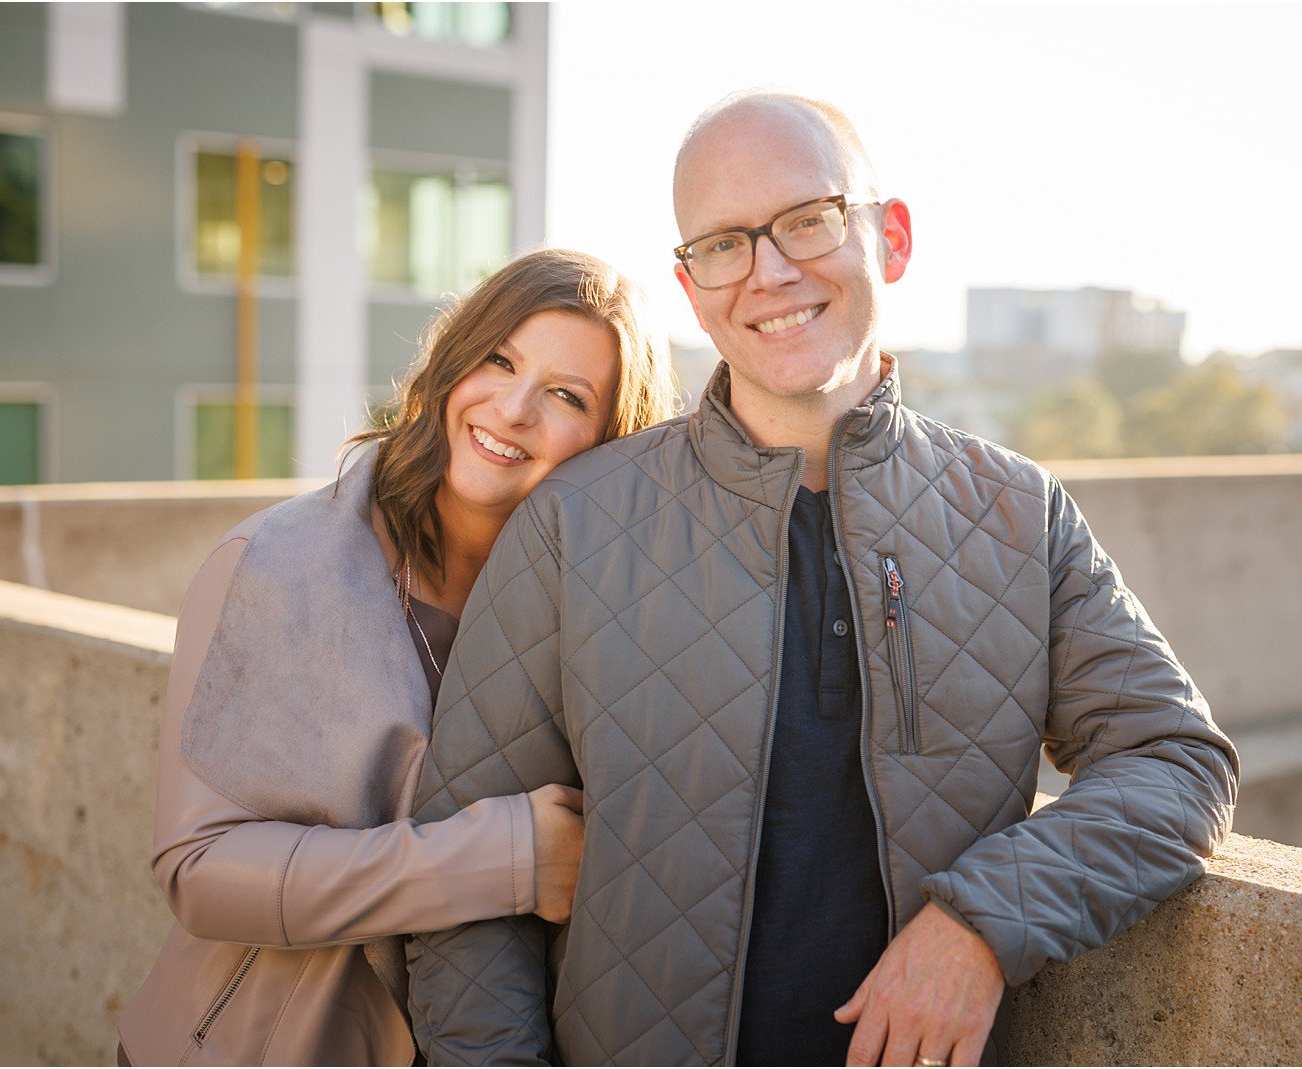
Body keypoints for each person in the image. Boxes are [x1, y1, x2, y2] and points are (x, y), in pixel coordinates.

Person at [406, 92, 1239, 1067]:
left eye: (806, 220)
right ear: (691, 288)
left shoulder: (1020, 515)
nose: (768, 271)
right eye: (722, 243)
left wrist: (978, 921)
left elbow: (1175, 762)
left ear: (890, 238)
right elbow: (464, 879)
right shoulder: (572, 523)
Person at [115, 249, 676, 1066]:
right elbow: (198, 869)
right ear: (455, 362)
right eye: (499, 359)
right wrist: (505, 857)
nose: (513, 407)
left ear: (611, 438)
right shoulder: (275, 562)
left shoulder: (606, 615)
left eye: (565, 394)